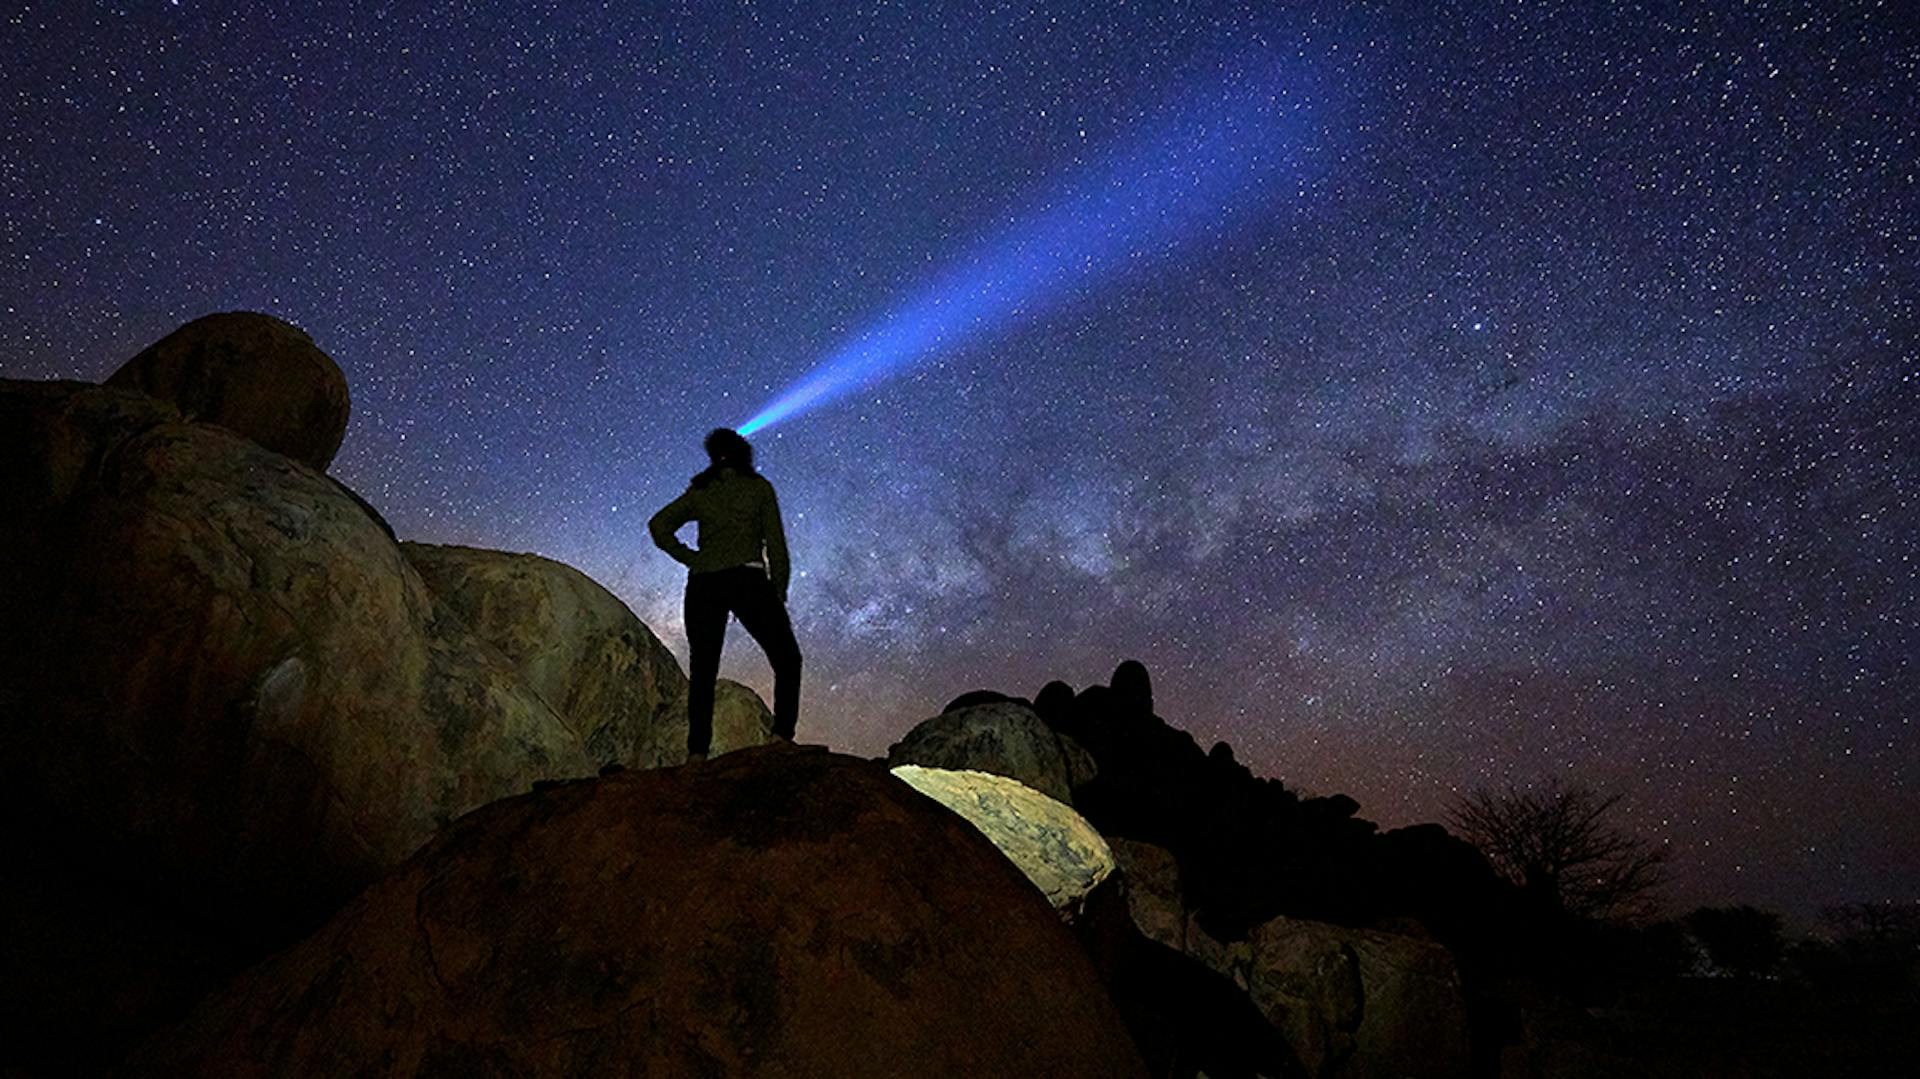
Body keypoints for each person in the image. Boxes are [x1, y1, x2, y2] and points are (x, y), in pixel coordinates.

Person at [649, 428, 801, 762]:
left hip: (704, 583)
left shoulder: (701, 491)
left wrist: (692, 558)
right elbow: (776, 546)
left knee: (703, 669)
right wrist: (778, 592)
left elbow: (659, 525)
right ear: (744, 453)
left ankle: (697, 752)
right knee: (787, 658)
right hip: (748, 579)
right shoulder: (759, 488)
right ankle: (780, 736)